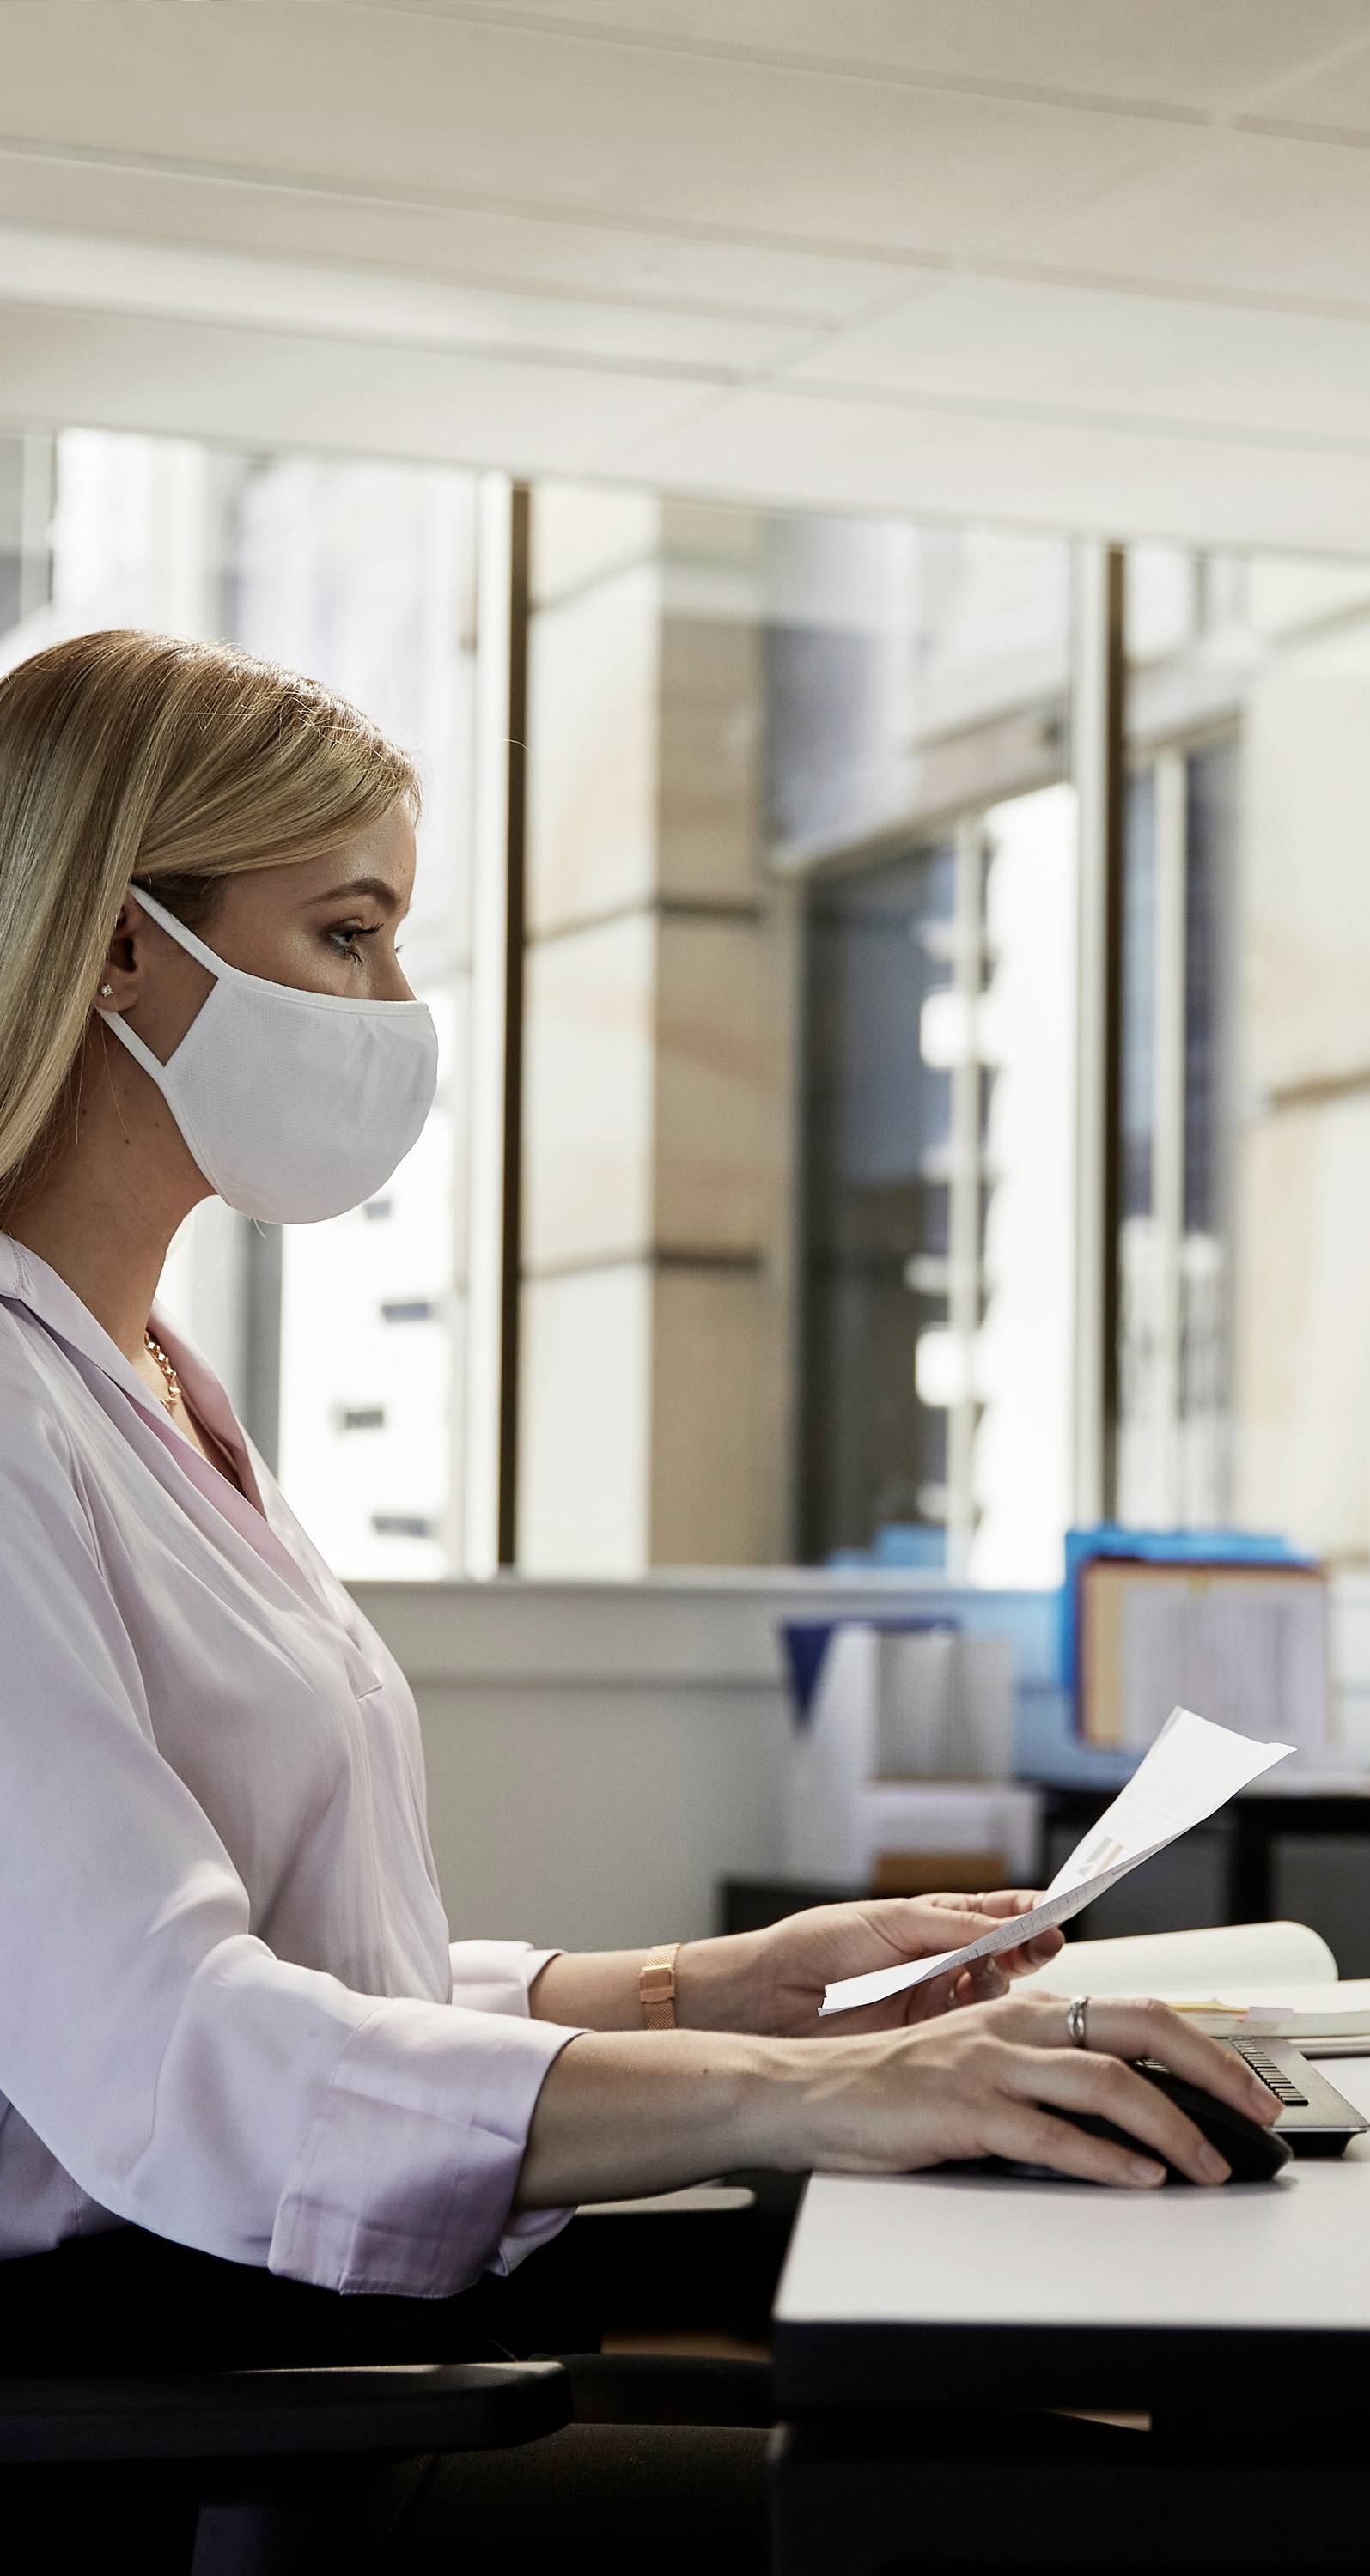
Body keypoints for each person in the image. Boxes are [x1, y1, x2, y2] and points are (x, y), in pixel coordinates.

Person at [0, 631, 1276, 2563]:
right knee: (1049, 2512)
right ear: (114, 947)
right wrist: (792, 2094)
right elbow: (181, 2051)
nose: (395, 1006)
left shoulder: (151, 1381)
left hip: (295, 2344)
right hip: (179, 2402)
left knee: (1035, 2431)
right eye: (347, 933)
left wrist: (714, 1990)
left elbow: (326, 1971)